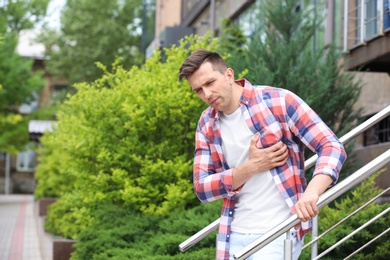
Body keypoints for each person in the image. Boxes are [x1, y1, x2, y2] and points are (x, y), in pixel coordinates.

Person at [178, 49, 347, 260]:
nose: (207, 94)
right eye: (198, 90)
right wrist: (252, 166)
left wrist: (311, 193)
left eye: (210, 83)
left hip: (278, 233)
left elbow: (331, 146)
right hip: (232, 235)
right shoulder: (206, 124)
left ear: (229, 75)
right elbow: (202, 188)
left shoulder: (279, 101)